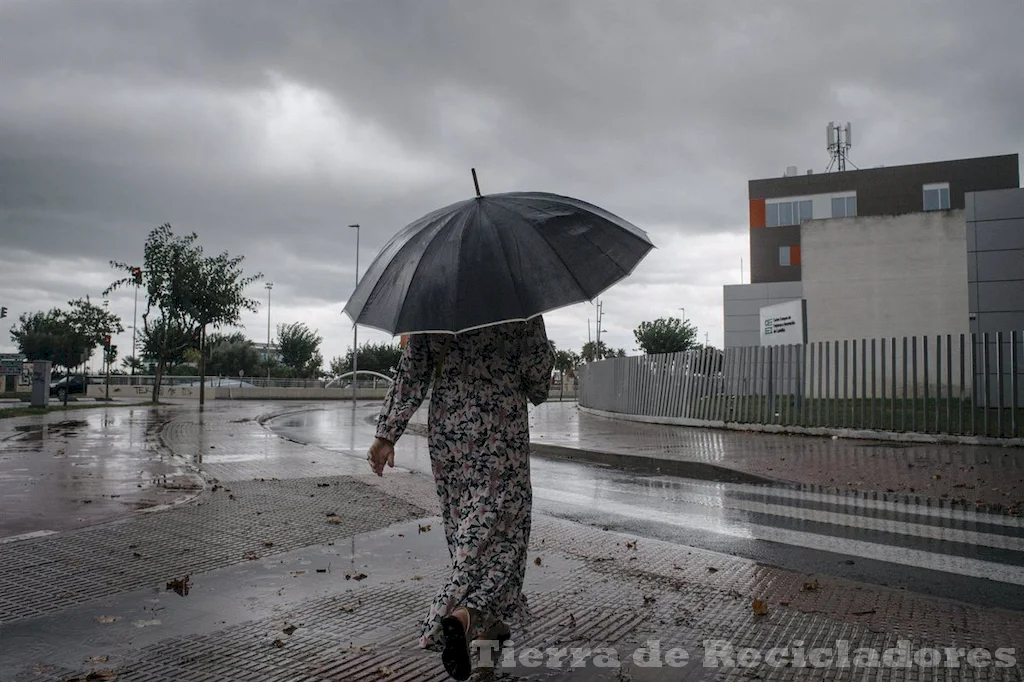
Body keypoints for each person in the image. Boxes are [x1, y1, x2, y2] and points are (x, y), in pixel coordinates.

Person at [366, 315, 554, 680]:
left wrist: (387, 434)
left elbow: (412, 372)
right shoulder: (517, 301)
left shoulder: (433, 300)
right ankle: (459, 617)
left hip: (449, 429)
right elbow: (538, 381)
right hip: (501, 427)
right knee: (504, 538)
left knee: (467, 532)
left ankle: (486, 639)